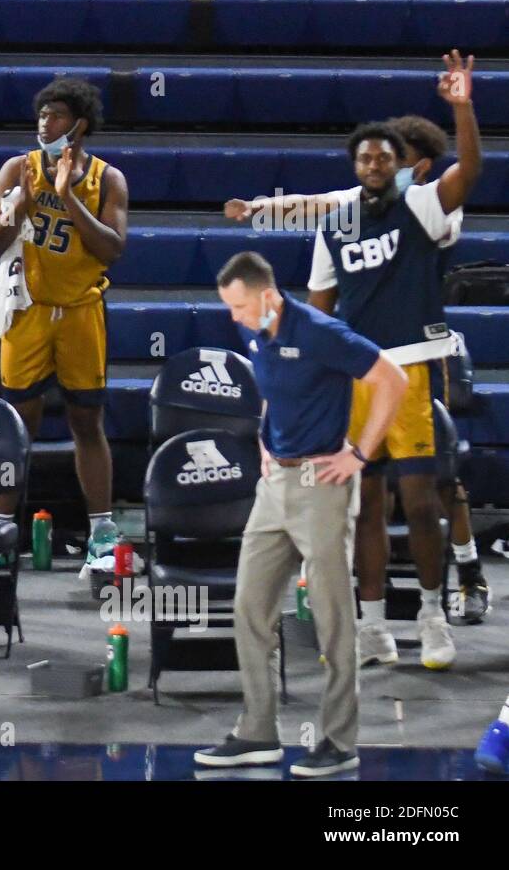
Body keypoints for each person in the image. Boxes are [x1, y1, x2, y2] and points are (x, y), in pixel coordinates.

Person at [224, 106, 491, 627]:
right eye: (370, 158)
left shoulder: (429, 205)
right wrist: (259, 210)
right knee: (368, 499)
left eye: (394, 158)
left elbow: (465, 175)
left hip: (418, 356)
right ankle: (371, 616)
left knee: (432, 489)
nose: (381, 166)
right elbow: (315, 206)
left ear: (414, 165)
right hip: (363, 367)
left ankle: (463, 575)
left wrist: (462, 107)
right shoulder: (346, 213)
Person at [196, 252, 406, 778]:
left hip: (323, 486)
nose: (234, 317)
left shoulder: (319, 330)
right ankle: (258, 731)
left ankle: (338, 741)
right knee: (250, 606)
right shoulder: (255, 332)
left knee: (333, 620)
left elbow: (393, 379)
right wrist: (267, 443)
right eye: (228, 308)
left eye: (240, 306)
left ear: (268, 297)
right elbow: (275, 393)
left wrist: (358, 453)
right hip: (275, 485)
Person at [0, 76, 129, 566]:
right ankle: (0, 533)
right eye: (42, 114)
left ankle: (102, 533)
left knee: (87, 421)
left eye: (57, 115)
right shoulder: (17, 169)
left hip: (81, 311)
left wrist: (67, 198)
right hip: (27, 308)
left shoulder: (107, 179)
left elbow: (111, 250)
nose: (45, 122)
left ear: (79, 124)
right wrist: (15, 209)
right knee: (17, 422)